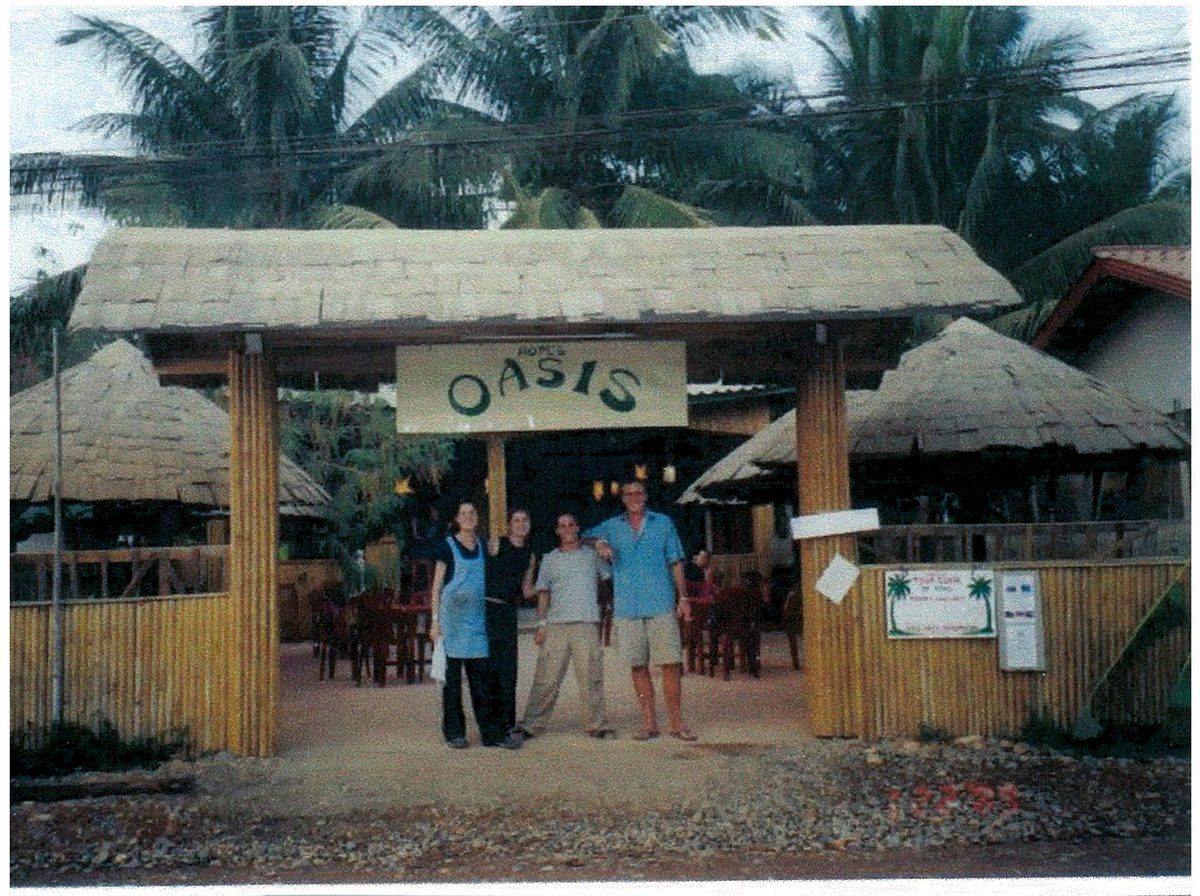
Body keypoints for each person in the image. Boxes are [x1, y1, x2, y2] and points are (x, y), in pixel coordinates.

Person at [587, 480, 696, 742]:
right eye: (629, 494)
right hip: (628, 607)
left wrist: (683, 597)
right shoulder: (612, 526)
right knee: (637, 666)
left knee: (670, 664)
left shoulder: (663, 523)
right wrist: (599, 542)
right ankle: (649, 724)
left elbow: (676, 562)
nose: (634, 497)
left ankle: (676, 723)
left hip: (660, 604)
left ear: (645, 497)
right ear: (622, 499)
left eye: (639, 493)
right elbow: (585, 534)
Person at [427, 500, 520, 750]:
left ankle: (492, 735)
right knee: (452, 685)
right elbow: (436, 588)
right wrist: (435, 622)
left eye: (472, 513)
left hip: (477, 625)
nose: (468, 517)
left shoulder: (484, 547)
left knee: (483, 683)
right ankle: (455, 734)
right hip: (451, 625)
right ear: (457, 519)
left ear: (477, 519)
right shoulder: (446, 547)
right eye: (463, 513)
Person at [514, 512, 614, 741]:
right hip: (556, 624)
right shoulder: (549, 559)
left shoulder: (592, 556)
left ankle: (597, 724)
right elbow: (543, 594)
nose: (567, 529)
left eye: (571, 524)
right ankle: (531, 724)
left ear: (577, 527)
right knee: (546, 678)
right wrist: (541, 624)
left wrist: (604, 610)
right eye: (562, 526)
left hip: (586, 623)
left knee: (591, 676)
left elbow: (606, 580)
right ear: (557, 531)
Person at [485, 508, 537, 735]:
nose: (520, 523)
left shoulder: (530, 555)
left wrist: (550, 588)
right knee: (489, 667)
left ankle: (507, 722)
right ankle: (489, 722)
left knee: (508, 668)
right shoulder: (496, 543)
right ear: (509, 525)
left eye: (525, 520)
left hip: (508, 612)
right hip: (488, 609)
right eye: (516, 520)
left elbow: (526, 591)